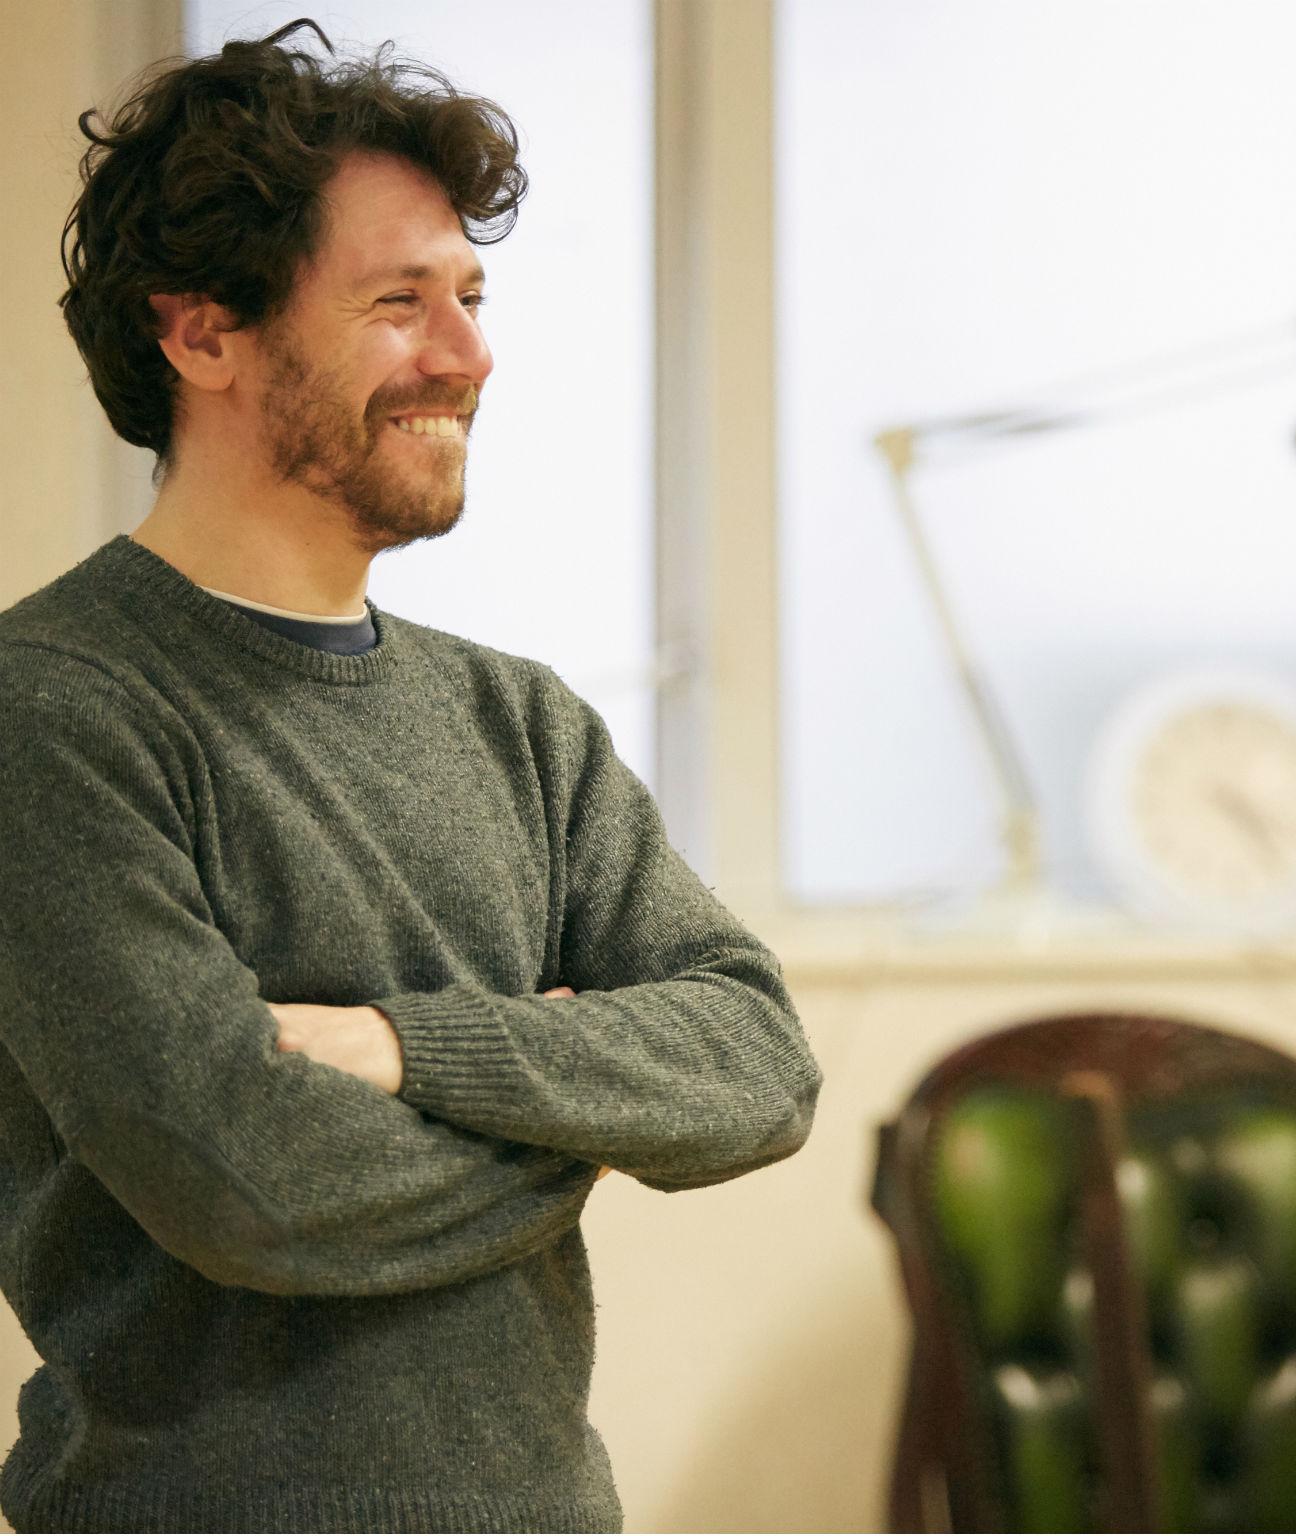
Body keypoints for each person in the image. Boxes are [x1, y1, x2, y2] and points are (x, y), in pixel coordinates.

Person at [0, 20, 820, 1533]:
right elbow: (245, 1177)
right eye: (397, 303)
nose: (468, 353)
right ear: (202, 336)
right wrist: (585, 1116)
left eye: (472, 296)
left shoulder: (520, 721)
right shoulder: (50, 713)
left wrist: (406, 1050)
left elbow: (760, 1068)